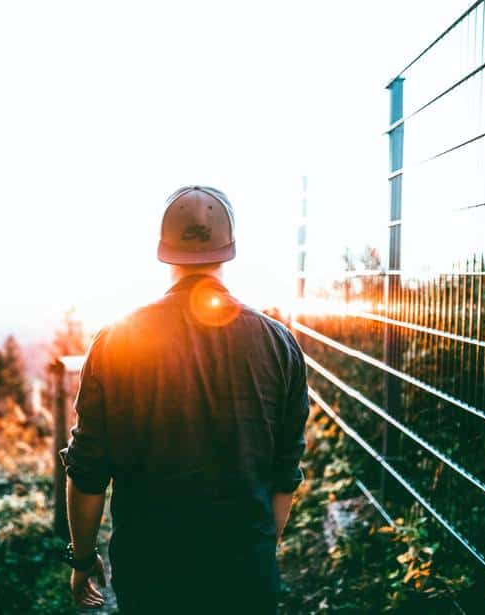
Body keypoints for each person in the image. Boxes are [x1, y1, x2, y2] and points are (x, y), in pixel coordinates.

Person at [59, 185, 310, 614]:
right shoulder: (279, 345)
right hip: (246, 574)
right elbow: (284, 477)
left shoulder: (117, 340)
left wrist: (82, 559)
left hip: (151, 574)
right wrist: (257, 553)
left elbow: (86, 475)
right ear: (229, 249)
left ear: (164, 250)